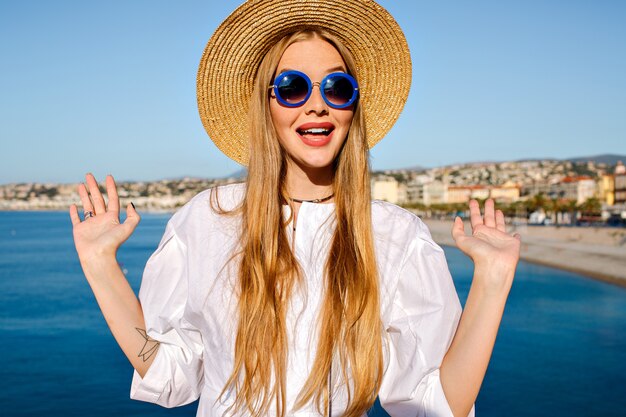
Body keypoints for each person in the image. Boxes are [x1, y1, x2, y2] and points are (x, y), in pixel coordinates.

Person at [69, 1, 521, 417]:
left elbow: (438, 404)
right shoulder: (206, 220)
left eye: (337, 87)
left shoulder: (397, 236)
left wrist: (493, 280)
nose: (318, 104)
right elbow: (169, 373)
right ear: (265, 105)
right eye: (292, 87)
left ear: (352, 106)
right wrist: (100, 266)